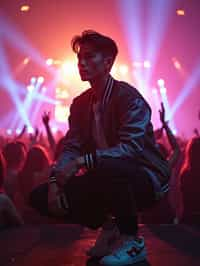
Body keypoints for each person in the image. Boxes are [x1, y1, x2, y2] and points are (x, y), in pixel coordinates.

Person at [30, 30, 170, 265]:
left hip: (147, 178)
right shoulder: (80, 104)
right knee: (40, 197)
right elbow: (71, 147)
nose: (81, 63)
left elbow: (131, 150)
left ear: (108, 63)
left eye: (89, 57)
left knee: (110, 166)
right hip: (109, 179)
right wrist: (56, 182)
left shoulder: (129, 99)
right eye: (79, 58)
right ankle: (111, 225)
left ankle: (132, 241)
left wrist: (82, 162)